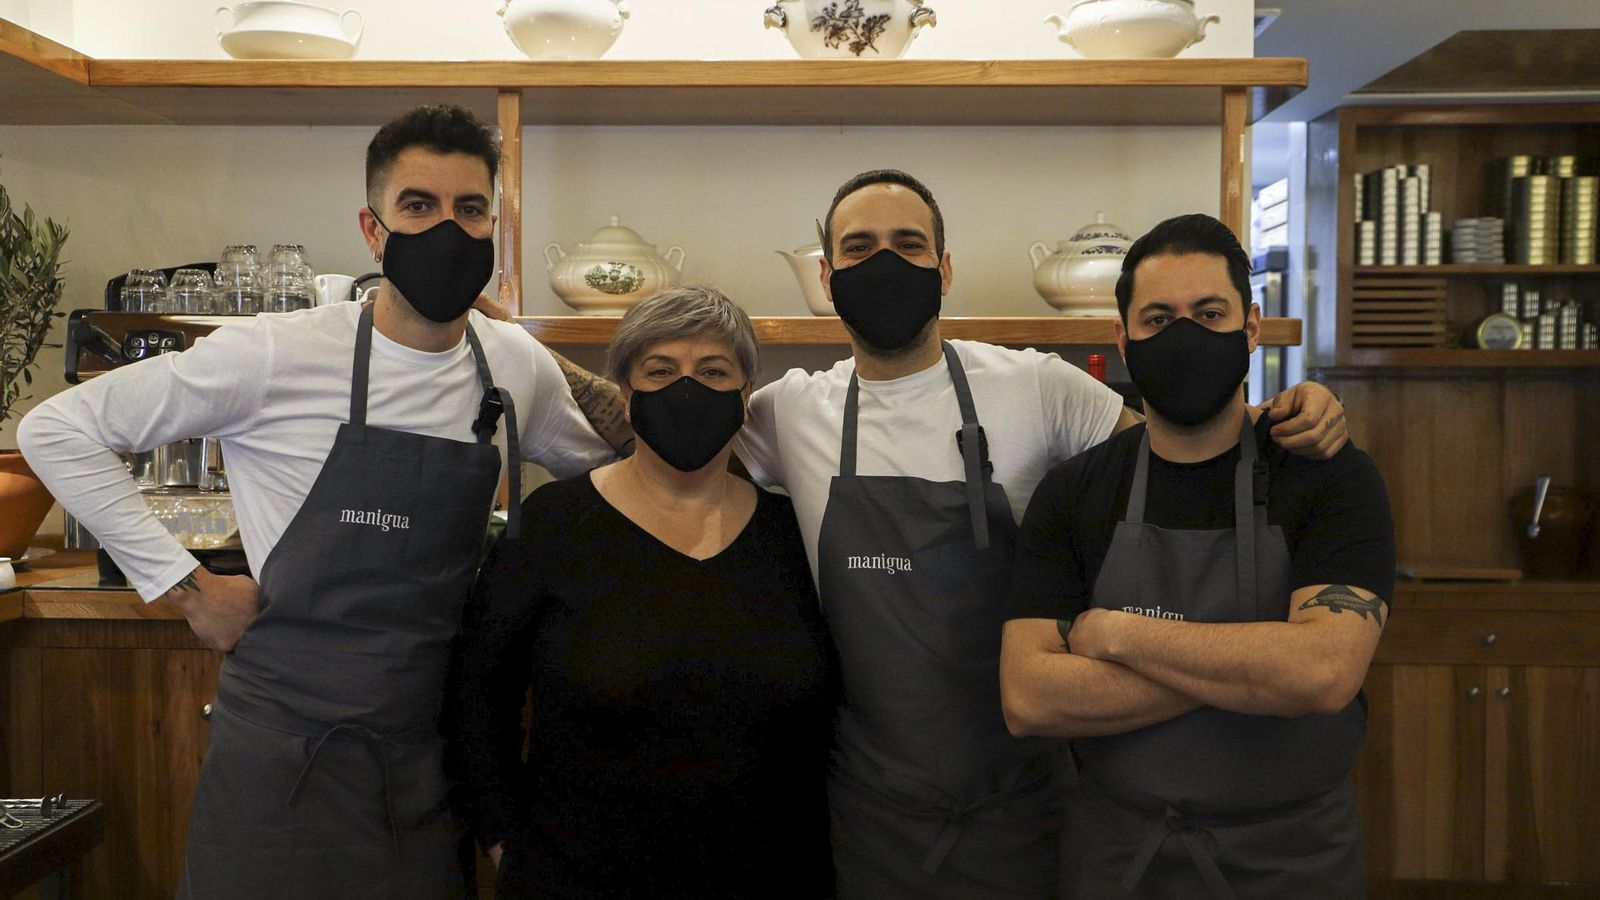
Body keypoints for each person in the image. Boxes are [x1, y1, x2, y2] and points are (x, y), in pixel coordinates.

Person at [17, 104, 617, 899]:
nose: (448, 228)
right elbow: (58, 430)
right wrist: (187, 589)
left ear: (494, 230)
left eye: (470, 209)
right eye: (419, 206)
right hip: (281, 756)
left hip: (426, 759)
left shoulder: (512, 364)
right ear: (373, 231)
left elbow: (609, 482)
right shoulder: (277, 352)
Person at [725, 171, 1352, 899]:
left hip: (1027, 802)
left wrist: (1297, 409)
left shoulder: (1035, 388)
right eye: (859, 248)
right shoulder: (791, 409)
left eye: (909, 244)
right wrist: (558, 383)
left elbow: (1189, 450)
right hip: (872, 809)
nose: (885, 263)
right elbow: (663, 440)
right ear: (828, 278)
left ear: (946, 267)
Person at [1000, 213, 1395, 899]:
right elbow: (1029, 698)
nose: (1183, 335)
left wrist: (1117, 635)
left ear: (1250, 329)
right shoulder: (1074, 492)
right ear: (1123, 340)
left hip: (1291, 863)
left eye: (1208, 313)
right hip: (1117, 861)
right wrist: (1251, 674)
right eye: (1158, 319)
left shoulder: (1328, 475)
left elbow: (1323, 674)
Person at [446, 286, 837, 899]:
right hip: (578, 880)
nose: (689, 389)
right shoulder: (554, 524)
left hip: (774, 877)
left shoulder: (796, 534)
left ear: (744, 396)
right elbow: (476, 698)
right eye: (661, 371)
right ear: (626, 397)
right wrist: (505, 841)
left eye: (713, 371)